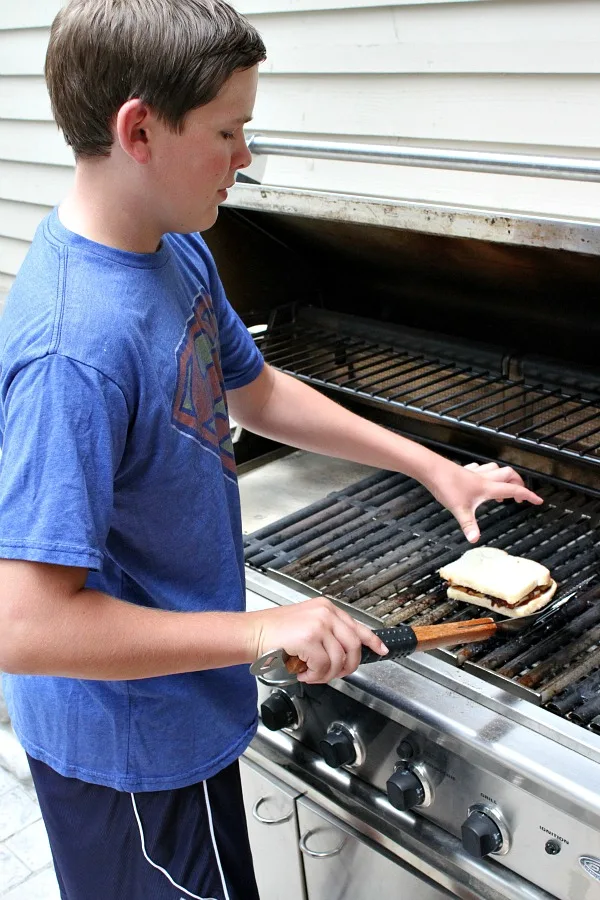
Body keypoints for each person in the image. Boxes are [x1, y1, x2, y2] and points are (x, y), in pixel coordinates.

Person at [0, 1, 543, 898]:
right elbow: (24, 624)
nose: (244, 158)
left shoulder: (174, 247)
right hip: (129, 759)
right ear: (139, 129)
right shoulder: (73, 350)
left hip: (186, 704)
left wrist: (431, 464)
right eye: (228, 131)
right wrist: (262, 627)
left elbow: (255, 390)